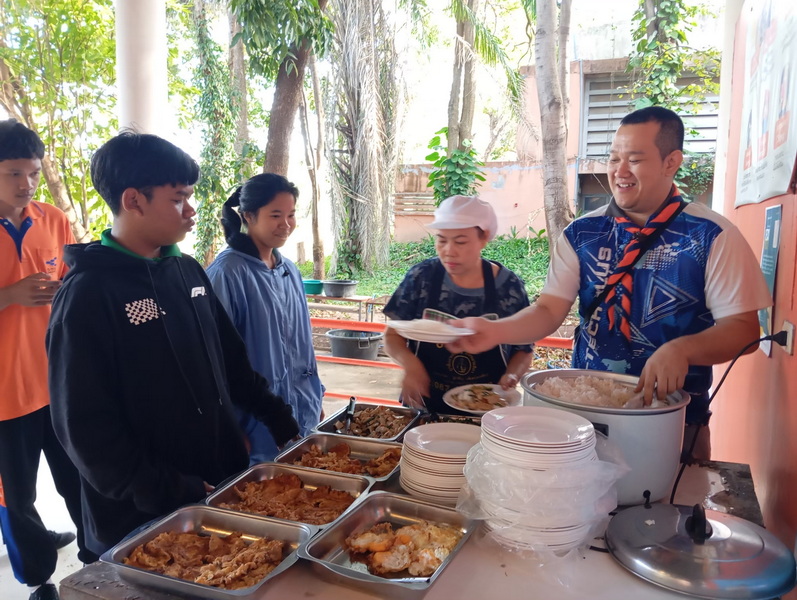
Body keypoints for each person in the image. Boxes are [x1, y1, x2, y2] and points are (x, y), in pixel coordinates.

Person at [451, 107, 771, 459]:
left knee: (671, 495)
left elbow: (743, 330)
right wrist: (495, 331)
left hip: (673, 423)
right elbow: (548, 310)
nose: (620, 171)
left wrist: (682, 350)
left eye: (635, 159)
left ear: (671, 162)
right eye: (614, 158)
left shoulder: (712, 235)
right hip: (582, 420)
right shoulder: (582, 233)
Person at [46, 132, 300, 556]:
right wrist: (164, 487)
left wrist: (280, 419)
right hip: (142, 514)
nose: (191, 211)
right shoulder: (88, 293)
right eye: (178, 199)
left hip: (218, 485)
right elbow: (84, 427)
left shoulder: (186, 271)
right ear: (134, 200)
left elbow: (231, 363)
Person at [0, 119, 95, 600]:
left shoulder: (53, 219)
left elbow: (71, 283)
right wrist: (9, 295)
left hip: (57, 380)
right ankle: (39, 578)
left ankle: (97, 557)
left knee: (80, 476)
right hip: (4, 394)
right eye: (14, 173)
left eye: (34, 172)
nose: (27, 183)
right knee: (16, 496)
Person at [206, 173, 324, 463]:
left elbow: (303, 344)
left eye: (291, 215)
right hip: (255, 425)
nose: (286, 224)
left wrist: (316, 394)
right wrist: (230, 428)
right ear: (248, 216)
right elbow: (215, 360)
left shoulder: (289, 270)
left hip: (302, 413)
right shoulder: (227, 272)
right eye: (275, 215)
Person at [383, 195, 533, 414]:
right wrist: (411, 367)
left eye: (460, 241)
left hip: (487, 408)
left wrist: (512, 375)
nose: (448, 250)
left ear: (484, 237)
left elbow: (524, 349)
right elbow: (392, 336)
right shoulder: (421, 278)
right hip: (424, 405)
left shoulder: (509, 287)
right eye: (441, 240)